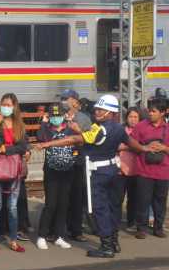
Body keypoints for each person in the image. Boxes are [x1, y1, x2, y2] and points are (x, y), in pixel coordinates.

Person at [36, 94, 150, 258]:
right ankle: (114, 241)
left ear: (110, 112)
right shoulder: (118, 127)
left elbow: (75, 139)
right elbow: (130, 142)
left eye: (101, 109)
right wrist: (145, 149)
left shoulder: (101, 129)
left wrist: (47, 144)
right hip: (113, 169)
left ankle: (106, 246)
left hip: (99, 173)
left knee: (100, 209)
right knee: (112, 208)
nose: (97, 111)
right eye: (97, 108)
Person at [0, 93, 27, 254]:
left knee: (12, 207)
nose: (6, 107)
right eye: (4, 104)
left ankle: (13, 241)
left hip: (13, 168)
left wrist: (5, 149)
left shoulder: (19, 124)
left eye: (9, 105)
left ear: (15, 106)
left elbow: (22, 146)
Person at [36, 103, 76, 250]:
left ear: (64, 115)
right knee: (51, 204)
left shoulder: (70, 129)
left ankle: (59, 236)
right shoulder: (47, 130)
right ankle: (41, 235)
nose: (56, 118)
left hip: (67, 170)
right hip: (51, 171)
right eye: (53, 116)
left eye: (58, 115)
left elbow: (79, 141)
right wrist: (43, 122)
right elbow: (39, 137)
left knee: (63, 204)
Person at [131, 98, 169, 239]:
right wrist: (144, 147)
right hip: (144, 171)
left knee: (160, 201)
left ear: (164, 112)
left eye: (154, 111)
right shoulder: (141, 126)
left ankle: (158, 228)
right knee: (142, 200)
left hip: (163, 172)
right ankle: (141, 228)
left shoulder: (167, 129)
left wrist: (164, 148)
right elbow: (131, 143)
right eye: (149, 110)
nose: (150, 113)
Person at [60, 89, 92, 242]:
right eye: (62, 98)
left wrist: (78, 132)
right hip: (60, 162)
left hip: (78, 161)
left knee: (77, 197)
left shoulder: (84, 119)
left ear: (74, 101)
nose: (63, 101)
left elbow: (90, 140)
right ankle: (61, 229)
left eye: (66, 98)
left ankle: (76, 230)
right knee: (62, 197)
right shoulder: (57, 117)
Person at [114, 107, 142, 232]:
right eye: (131, 117)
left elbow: (141, 147)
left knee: (134, 199)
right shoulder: (120, 130)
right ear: (126, 118)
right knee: (118, 198)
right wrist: (132, 146)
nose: (133, 119)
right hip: (120, 169)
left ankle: (131, 223)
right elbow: (115, 146)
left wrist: (125, 146)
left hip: (137, 170)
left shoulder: (142, 131)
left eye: (136, 117)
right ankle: (115, 222)